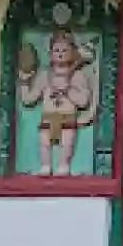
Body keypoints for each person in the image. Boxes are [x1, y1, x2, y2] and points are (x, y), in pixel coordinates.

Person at [18, 27, 98, 175]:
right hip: (48, 116)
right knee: (44, 144)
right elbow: (29, 100)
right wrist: (24, 82)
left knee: (67, 144)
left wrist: (68, 89)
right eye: (56, 50)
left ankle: (63, 165)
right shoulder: (44, 75)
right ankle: (45, 165)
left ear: (73, 53)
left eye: (64, 50)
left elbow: (83, 101)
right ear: (50, 53)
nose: (60, 54)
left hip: (68, 117)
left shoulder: (77, 75)